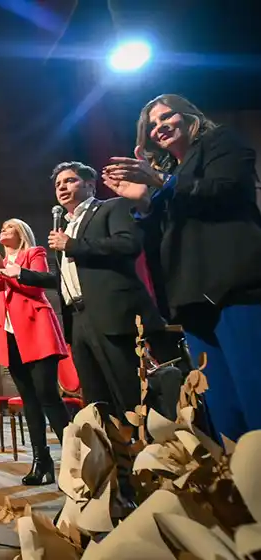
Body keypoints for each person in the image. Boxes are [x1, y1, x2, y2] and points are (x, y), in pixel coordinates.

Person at [102, 94, 261, 441]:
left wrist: (162, 183)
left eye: (166, 117)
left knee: (254, 395)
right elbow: (158, 236)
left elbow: (228, 191)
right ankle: (239, 486)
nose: (159, 127)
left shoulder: (221, 142)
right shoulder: (169, 174)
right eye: (152, 125)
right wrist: (143, 204)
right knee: (221, 409)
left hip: (235, 289)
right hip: (192, 299)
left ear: (190, 116)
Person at [0, 162, 166, 421]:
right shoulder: (64, 229)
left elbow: (129, 244)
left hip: (110, 314)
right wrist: (21, 274)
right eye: (58, 185)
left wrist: (74, 245)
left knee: (128, 391)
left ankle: (148, 451)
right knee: (96, 397)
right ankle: (115, 456)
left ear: (90, 184)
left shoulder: (111, 207)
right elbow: (63, 279)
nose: (62, 187)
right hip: (78, 319)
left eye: (70, 181)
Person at [0, 218, 70, 485]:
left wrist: (4, 271)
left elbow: (34, 286)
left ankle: (76, 459)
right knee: (29, 400)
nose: (3, 230)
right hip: (11, 335)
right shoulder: (0, 261)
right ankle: (42, 463)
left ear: (22, 233)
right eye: (1, 227)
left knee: (48, 396)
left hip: (37, 330)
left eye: (9, 227)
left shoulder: (33, 253)